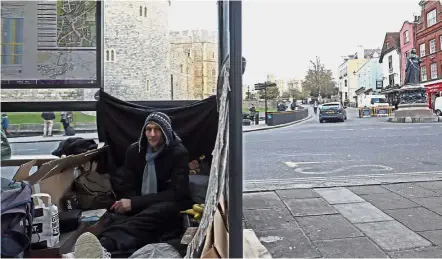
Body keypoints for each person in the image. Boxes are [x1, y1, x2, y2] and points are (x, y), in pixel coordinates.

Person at [64, 111, 191, 258]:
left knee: (155, 214)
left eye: (157, 130)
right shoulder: (134, 151)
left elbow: (176, 193)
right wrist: (129, 203)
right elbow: (127, 184)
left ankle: (102, 246)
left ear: (166, 133)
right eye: (148, 129)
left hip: (167, 205)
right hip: (140, 205)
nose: (152, 134)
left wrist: (135, 203)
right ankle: (98, 250)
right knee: (123, 220)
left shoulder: (178, 153)